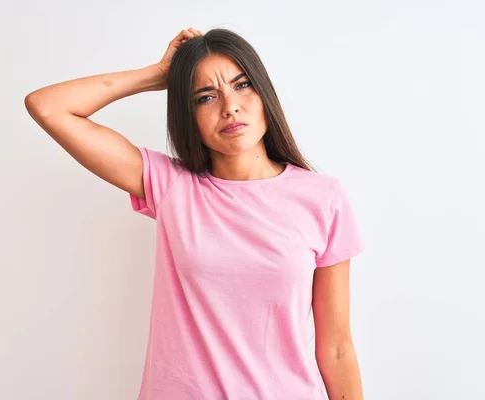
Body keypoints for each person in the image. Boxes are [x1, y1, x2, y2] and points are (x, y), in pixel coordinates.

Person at [25, 27, 366, 400]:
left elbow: (336, 346)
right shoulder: (170, 185)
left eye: (242, 85)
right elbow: (48, 106)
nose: (230, 107)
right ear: (189, 114)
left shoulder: (323, 197)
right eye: (205, 97)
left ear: (265, 93)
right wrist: (158, 75)